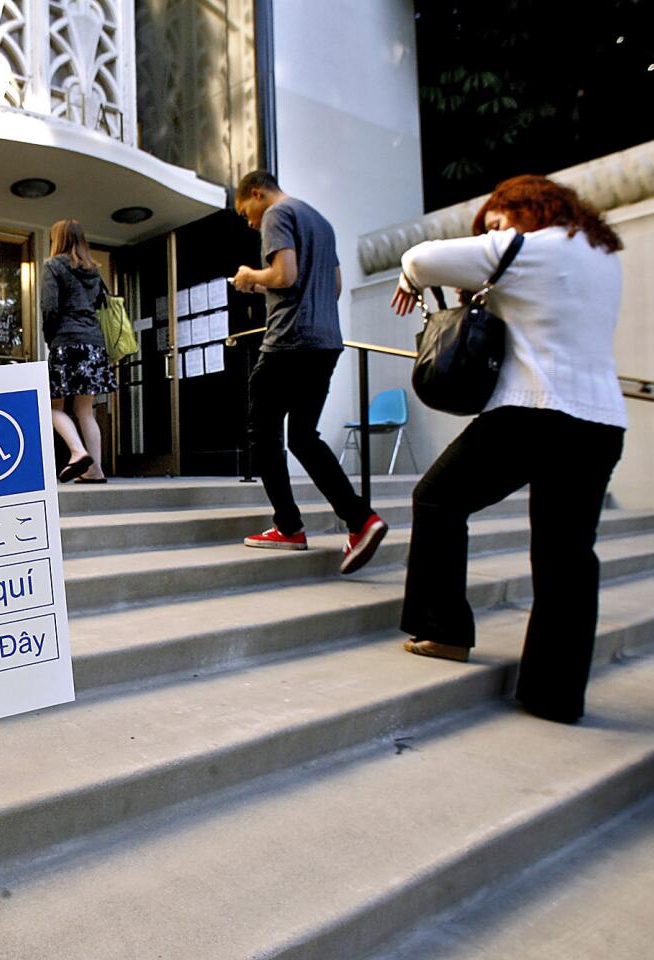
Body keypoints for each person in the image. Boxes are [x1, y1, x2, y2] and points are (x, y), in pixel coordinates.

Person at [390, 174, 627, 724]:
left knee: (437, 499)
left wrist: (406, 275)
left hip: (534, 412)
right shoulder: (600, 254)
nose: (493, 234)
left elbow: (421, 257)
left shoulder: (528, 247)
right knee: (565, 556)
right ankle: (555, 696)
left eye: (497, 222)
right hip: (600, 420)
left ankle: (443, 630)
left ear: (524, 210)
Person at [231, 170, 387, 575]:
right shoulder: (321, 221)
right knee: (303, 436)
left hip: (289, 341)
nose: (249, 222)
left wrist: (250, 278)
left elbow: (284, 275)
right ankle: (360, 520)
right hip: (325, 341)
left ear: (256, 192)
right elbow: (333, 285)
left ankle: (288, 527)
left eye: (245, 211)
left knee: (261, 432)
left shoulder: (276, 215)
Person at [41, 219, 114, 483]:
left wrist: (51, 340)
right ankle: (96, 470)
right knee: (85, 409)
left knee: (52, 407)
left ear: (56, 239)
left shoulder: (53, 266)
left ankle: (77, 452)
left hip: (66, 341)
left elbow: (50, 309)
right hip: (94, 343)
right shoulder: (93, 271)